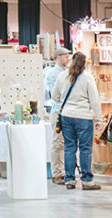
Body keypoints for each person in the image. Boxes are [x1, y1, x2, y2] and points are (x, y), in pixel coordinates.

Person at [51, 51, 101, 191]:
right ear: (85, 63)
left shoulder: (63, 76)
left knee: (69, 147)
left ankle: (70, 180)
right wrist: (99, 119)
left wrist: (66, 102)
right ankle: (87, 181)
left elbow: (54, 96)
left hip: (66, 116)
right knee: (85, 149)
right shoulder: (87, 77)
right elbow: (95, 100)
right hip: (84, 117)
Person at [43, 47, 71, 185]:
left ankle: (65, 170)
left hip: (68, 111)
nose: (68, 59)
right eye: (66, 57)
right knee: (57, 141)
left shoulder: (68, 72)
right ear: (58, 57)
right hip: (58, 111)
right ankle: (57, 172)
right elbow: (55, 94)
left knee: (66, 142)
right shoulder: (52, 74)